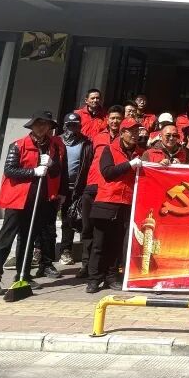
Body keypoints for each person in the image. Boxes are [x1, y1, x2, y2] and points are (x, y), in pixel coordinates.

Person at [0, 111, 66, 295]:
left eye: (45, 124)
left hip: (37, 201)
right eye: (38, 123)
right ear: (32, 125)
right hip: (17, 200)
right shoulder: (18, 145)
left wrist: (52, 164)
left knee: (27, 240)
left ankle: (23, 276)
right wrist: (33, 172)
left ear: (49, 127)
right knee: (6, 240)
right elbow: (10, 170)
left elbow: (56, 173)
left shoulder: (53, 147)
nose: (42, 127)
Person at [87, 118, 144, 293]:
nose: (135, 135)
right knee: (99, 244)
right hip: (107, 201)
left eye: (137, 131)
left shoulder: (141, 153)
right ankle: (94, 279)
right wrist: (129, 165)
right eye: (131, 131)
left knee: (117, 243)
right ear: (122, 133)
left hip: (127, 203)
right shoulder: (109, 149)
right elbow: (107, 173)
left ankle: (111, 277)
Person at [77, 105, 125, 279]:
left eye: (118, 118)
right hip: (92, 186)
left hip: (111, 190)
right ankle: (86, 265)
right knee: (88, 228)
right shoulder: (97, 137)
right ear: (107, 119)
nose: (115, 121)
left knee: (106, 232)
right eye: (112, 118)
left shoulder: (126, 139)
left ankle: (105, 268)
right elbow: (87, 161)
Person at [58, 112, 93, 266]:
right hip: (57, 187)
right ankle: (39, 250)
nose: (72, 128)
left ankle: (66, 250)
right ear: (65, 126)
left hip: (76, 187)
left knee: (70, 219)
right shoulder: (57, 141)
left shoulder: (86, 143)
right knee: (47, 221)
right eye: (70, 125)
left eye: (76, 125)